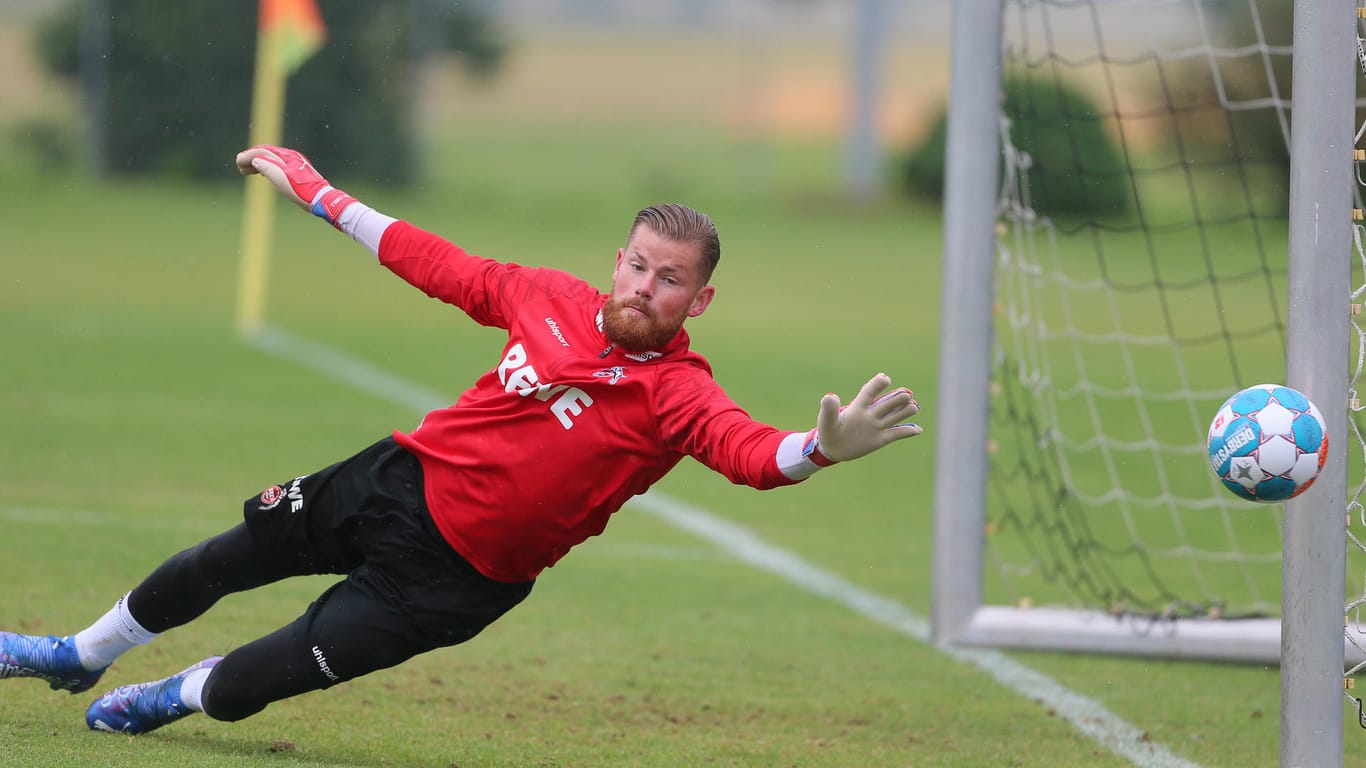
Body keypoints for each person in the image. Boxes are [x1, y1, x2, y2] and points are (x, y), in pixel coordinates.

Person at [0, 145, 923, 735]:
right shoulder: (548, 296)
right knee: (220, 558)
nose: (647, 286)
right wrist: (319, 192)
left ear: (700, 300)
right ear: (618, 259)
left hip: (454, 581)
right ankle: (80, 652)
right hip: (393, 481)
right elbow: (437, 263)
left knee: (253, 681)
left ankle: (175, 696)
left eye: (671, 279)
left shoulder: (680, 392)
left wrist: (820, 449)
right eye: (638, 264)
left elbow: (748, 452)